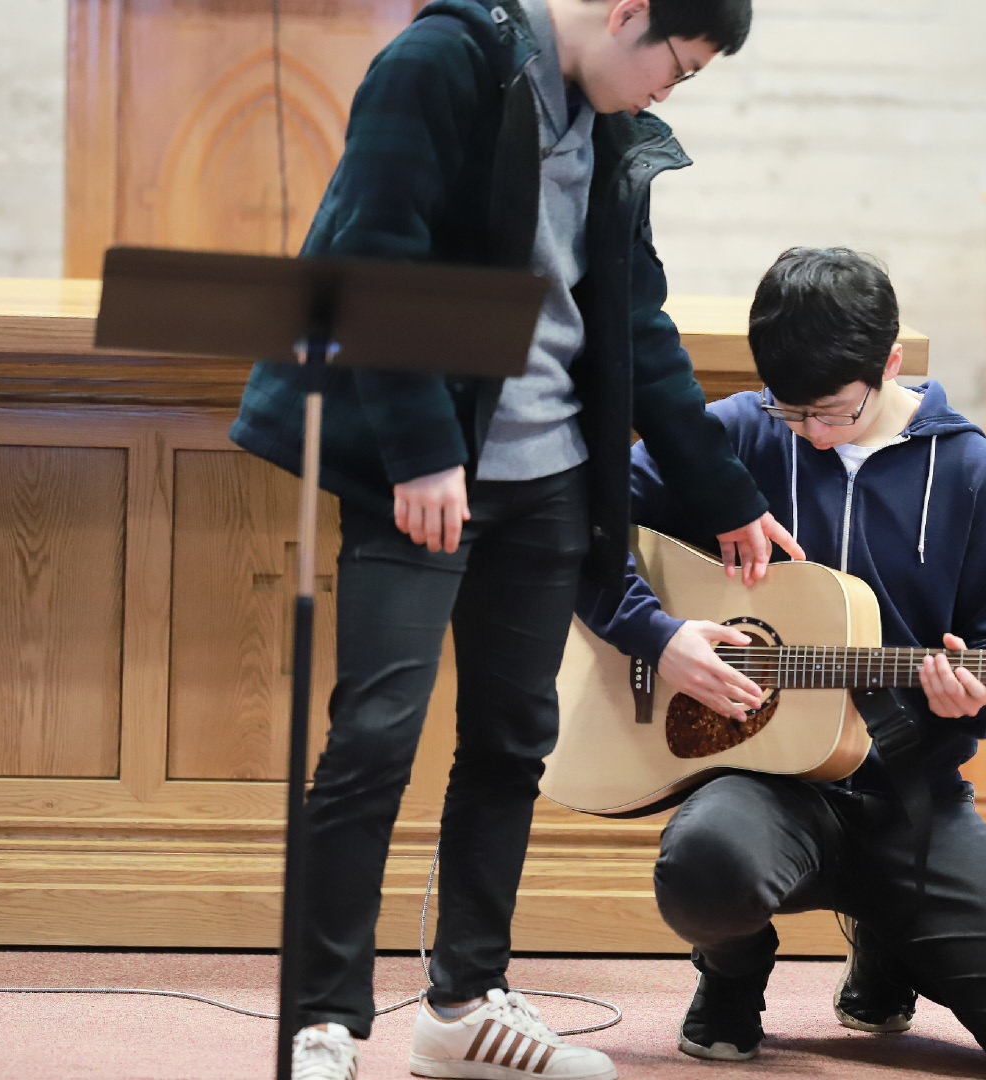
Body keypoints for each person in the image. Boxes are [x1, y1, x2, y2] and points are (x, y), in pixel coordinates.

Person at [229, 2, 801, 1078]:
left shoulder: (613, 131)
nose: (669, 92)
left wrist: (722, 490)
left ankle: (464, 1006)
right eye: (675, 67)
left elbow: (637, 325)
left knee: (509, 743)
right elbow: (373, 258)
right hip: (425, 474)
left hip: (549, 481)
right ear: (628, 11)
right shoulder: (446, 59)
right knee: (373, 739)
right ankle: (324, 1021)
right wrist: (421, 451)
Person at [577, 247, 986, 1078]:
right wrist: (656, 635)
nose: (812, 434)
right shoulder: (737, 434)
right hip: (763, 786)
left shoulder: (974, 474)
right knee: (703, 865)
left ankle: (890, 935)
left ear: (889, 363)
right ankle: (733, 971)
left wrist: (978, 696)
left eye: (831, 412)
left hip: (912, 798)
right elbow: (583, 524)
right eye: (791, 413)